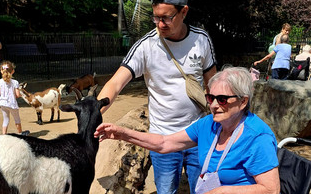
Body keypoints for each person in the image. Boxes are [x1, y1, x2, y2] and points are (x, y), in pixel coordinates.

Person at [96, 0, 217, 193]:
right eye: (156, 17)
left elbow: (213, 85)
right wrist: (95, 109)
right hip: (163, 139)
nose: (160, 24)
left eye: (166, 18)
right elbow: (116, 83)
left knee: (204, 190)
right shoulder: (146, 46)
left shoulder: (201, 40)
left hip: (198, 135)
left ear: (184, 11)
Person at [95, 67, 280, 194]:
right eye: (210, 98)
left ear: (243, 101)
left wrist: (223, 191)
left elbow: (271, 190)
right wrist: (123, 133)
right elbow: (165, 143)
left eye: (222, 99)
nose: (214, 105)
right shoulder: (209, 124)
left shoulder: (257, 137)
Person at [0, 61, 29, 136]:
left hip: (2, 103)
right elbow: (17, 94)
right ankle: (20, 133)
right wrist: (21, 95)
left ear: (1, 71)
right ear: (13, 71)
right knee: (17, 119)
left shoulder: (0, 81)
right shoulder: (15, 82)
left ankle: (4, 135)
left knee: (6, 119)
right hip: (12, 104)